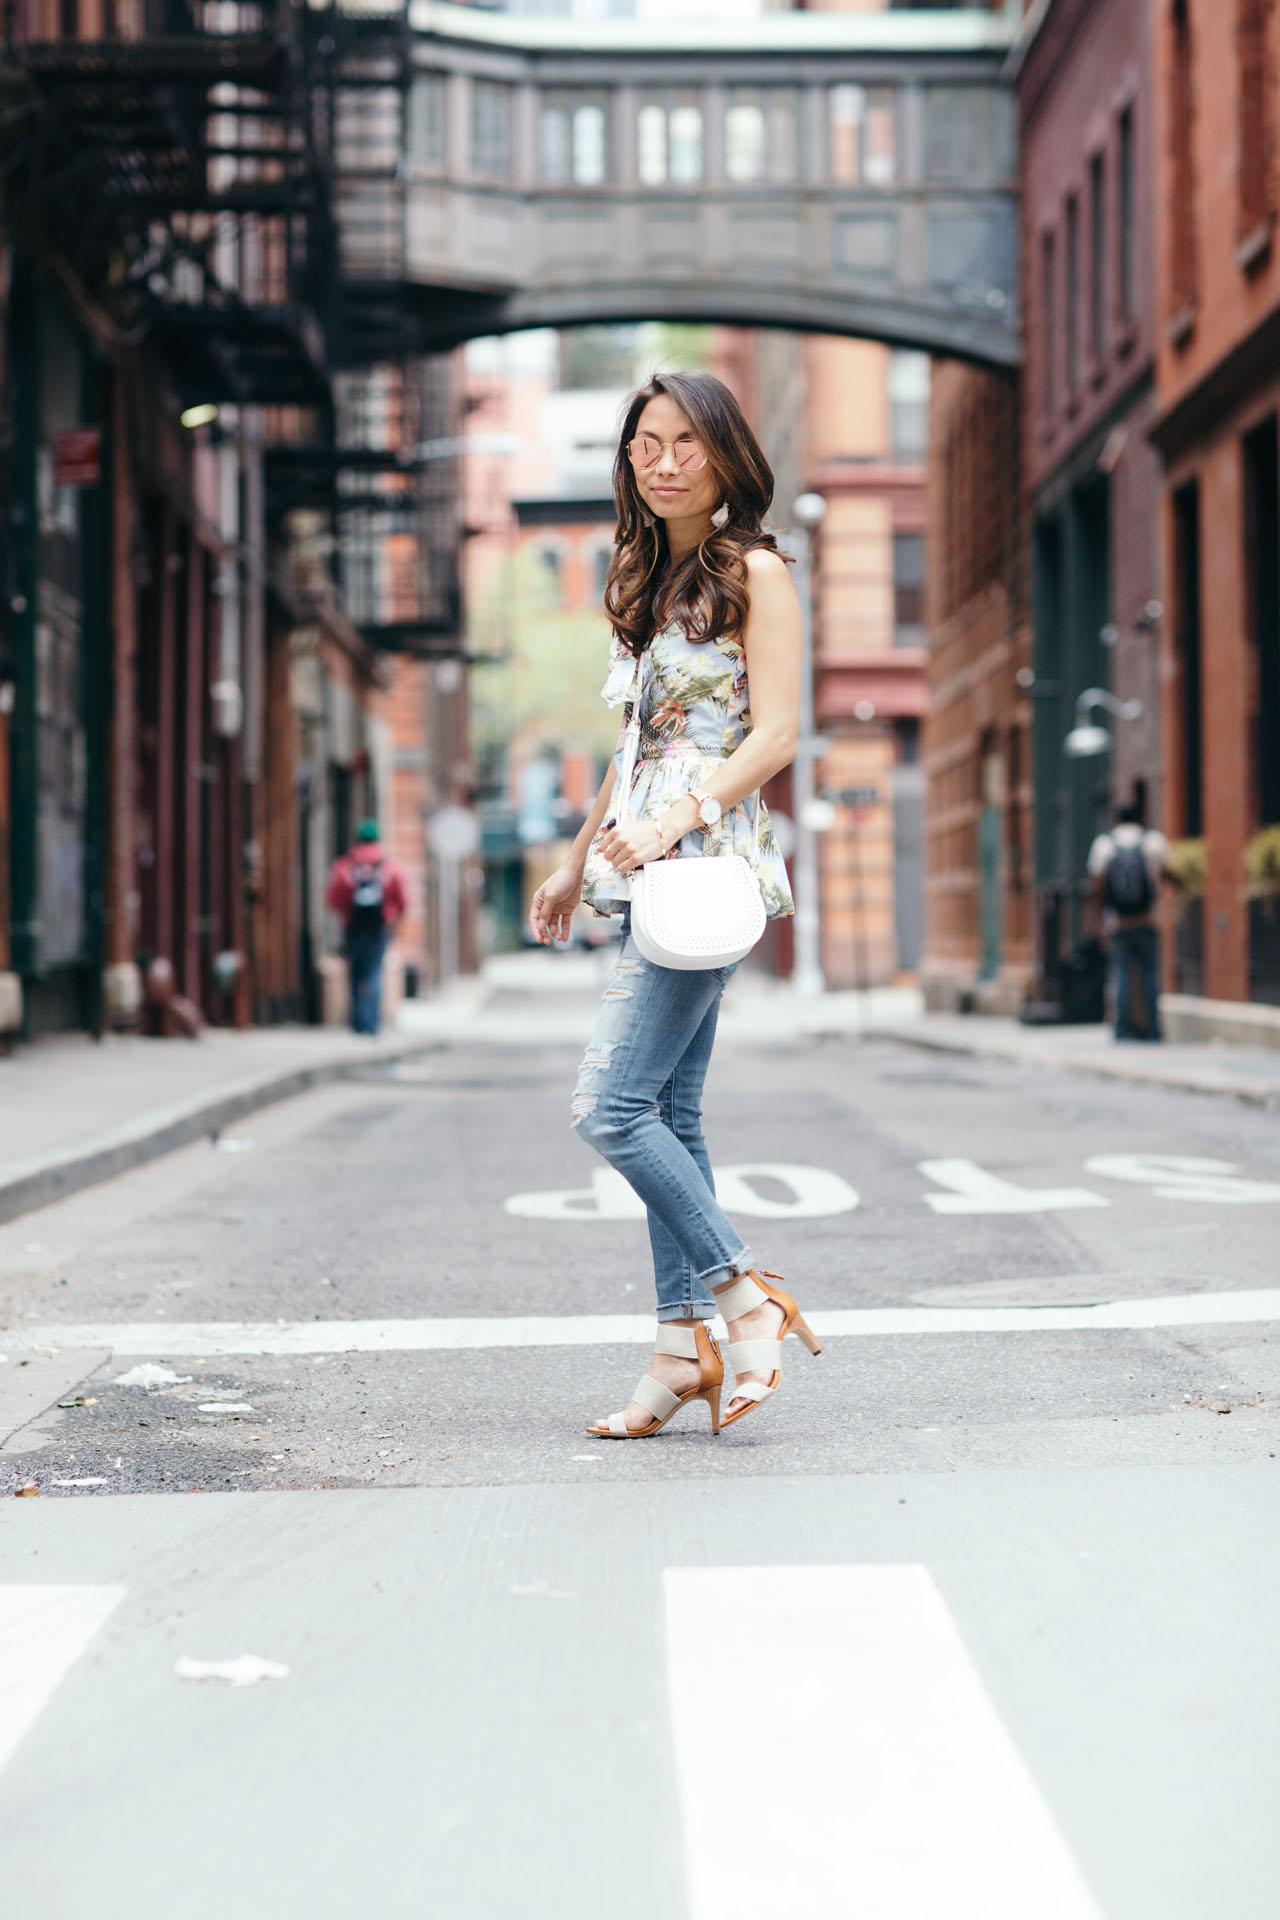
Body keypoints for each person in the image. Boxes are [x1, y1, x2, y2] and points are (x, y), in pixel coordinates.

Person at [529, 371, 821, 1439]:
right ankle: (676, 1348)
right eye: (644, 444)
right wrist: (574, 863)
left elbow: (777, 733)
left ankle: (744, 1298)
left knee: (608, 1108)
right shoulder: (641, 576)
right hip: (642, 865)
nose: (660, 462)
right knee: (672, 1114)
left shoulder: (757, 571)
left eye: (683, 444)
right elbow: (629, 748)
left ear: (724, 453)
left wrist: (672, 822)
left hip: (706, 864)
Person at [1087, 800, 1171, 1041]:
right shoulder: (1153, 841)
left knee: (1120, 974)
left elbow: (1097, 884)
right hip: (1148, 919)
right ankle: (1153, 1028)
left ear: (1116, 820)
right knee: (1150, 974)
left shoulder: (1105, 844)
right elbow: (1169, 873)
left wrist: (1098, 919)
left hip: (1119, 922)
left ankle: (1122, 1029)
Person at [325, 819, 406, 1035]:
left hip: (353, 926)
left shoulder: (345, 865)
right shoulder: (388, 866)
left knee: (355, 973)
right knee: (374, 971)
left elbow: (333, 898)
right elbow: (401, 898)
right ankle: (372, 1023)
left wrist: (345, 914)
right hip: (380, 927)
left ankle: (358, 1022)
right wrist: (393, 918)